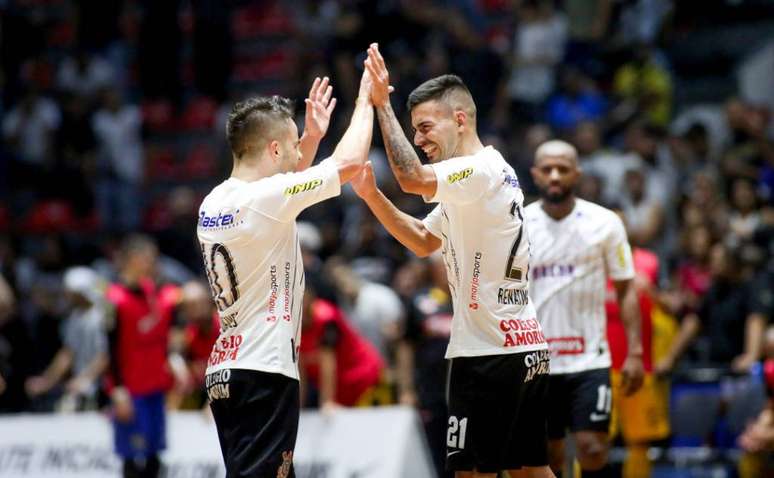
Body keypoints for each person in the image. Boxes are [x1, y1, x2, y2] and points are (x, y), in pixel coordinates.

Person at [351, 43, 554, 478]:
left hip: (490, 352)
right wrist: (371, 195)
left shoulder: (478, 171)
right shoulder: (476, 179)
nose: (419, 140)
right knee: (530, 472)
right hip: (522, 346)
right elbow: (424, 240)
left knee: (473, 474)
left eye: (425, 127)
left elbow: (411, 177)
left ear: (459, 120)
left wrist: (381, 105)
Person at [197, 67, 374, 478]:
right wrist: (367, 100)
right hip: (263, 369)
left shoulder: (215, 200)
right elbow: (347, 163)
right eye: (293, 146)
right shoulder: (263, 198)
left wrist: (310, 137)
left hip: (227, 367)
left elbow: (285, 191)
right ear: (274, 150)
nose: (299, 154)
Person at [524, 140, 644, 478]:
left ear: (577, 173)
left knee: (592, 448)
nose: (555, 175)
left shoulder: (605, 223)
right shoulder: (518, 225)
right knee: (548, 455)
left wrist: (634, 353)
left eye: (563, 168)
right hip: (537, 362)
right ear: (535, 174)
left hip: (590, 358)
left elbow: (626, 289)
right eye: (547, 168)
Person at [106, 235, 185, 478]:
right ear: (129, 260)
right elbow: (109, 347)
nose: (151, 263)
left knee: (155, 456)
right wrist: (117, 389)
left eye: (153, 258)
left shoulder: (163, 294)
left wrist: (176, 360)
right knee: (131, 458)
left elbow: (174, 332)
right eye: (145, 258)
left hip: (157, 387)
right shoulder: (114, 299)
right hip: (130, 389)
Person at [25, 266, 109, 412]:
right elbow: (68, 353)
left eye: (71, 293)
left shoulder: (101, 316)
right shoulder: (75, 317)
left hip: (104, 391)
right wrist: (47, 381)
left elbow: (105, 355)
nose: (67, 296)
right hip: (82, 390)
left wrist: (85, 379)